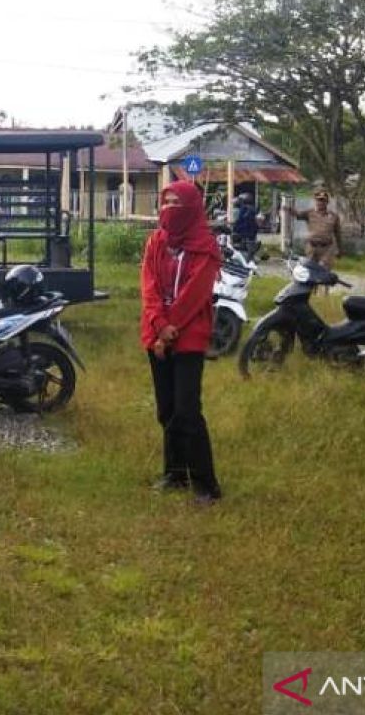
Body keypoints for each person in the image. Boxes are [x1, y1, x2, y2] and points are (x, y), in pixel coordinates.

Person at [140, 181, 223, 506]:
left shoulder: (205, 245)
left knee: (188, 409)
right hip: (156, 331)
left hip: (188, 335)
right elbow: (148, 286)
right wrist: (160, 326)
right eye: (165, 202)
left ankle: (206, 484)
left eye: (176, 202)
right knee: (167, 409)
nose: (168, 208)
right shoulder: (156, 241)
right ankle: (175, 473)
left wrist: (171, 329)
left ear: (191, 207)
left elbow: (196, 292)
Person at [287, 189, 342, 269]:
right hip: (312, 247)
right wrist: (289, 208)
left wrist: (339, 249)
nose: (321, 202)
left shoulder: (333, 216)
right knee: (309, 271)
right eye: (319, 200)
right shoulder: (310, 213)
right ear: (315, 201)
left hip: (326, 249)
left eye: (323, 200)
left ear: (327, 202)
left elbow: (338, 234)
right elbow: (298, 214)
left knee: (324, 270)